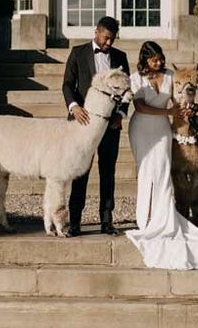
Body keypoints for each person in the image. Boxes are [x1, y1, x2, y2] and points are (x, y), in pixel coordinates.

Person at [125, 41, 198, 269]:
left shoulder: (170, 76)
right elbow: (141, 106)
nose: (160, 62)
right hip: (141, 129)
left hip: (163, 130)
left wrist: (190, 108)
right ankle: (145, 221)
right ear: (145, 60)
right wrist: (168, 111)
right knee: (146, 173)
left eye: (161, 58)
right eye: (155, 59)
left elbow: (184, 94)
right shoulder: (136, 78)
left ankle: (165, 219)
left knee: (164, 172)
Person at [62, 15, 130, 236]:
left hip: (110, 125)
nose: (109, 43)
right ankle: (74, 222)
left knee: (108, 172)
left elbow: (127, 91)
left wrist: (120, 114)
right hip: (84, 124)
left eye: (112, 39)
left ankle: (107, 220)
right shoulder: (77, 53)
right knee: (80, 173)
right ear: (97, 31)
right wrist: (74, 107)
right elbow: (67, 85)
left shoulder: (121, 56)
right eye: (106, 38)